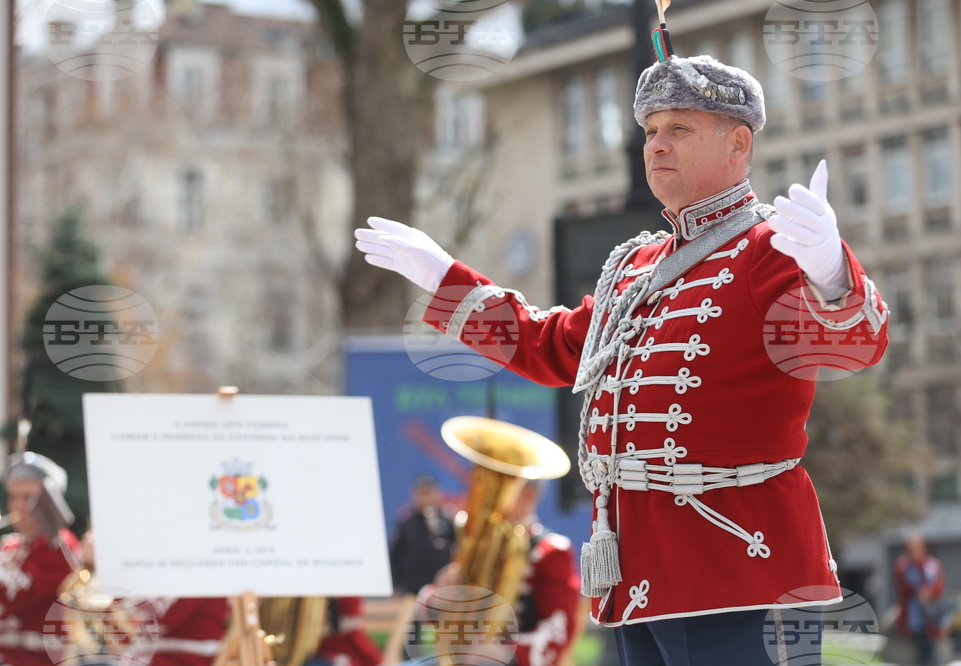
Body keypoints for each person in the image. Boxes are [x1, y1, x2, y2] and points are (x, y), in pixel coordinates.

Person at [355, 53, 889, 664]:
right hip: (637, 573)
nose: (656, 145)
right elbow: (553, 346)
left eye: (679, 129)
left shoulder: (772, 247)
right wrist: (446, 279)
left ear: (739, 143)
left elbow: (855, 344)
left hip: (740, 568)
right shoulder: (637, 267)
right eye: (650, 131)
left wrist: (830, 273)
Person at [416, 482, 580, 666]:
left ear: (529, 495)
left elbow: (558, 627)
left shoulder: (551, 551)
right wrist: (440, 598)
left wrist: (506, 654)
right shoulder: (478, 545)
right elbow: (426, 613)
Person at [0, 452, 81, 666]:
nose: (17, 505)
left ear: (50, 499)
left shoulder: (59, 545)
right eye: (13, 497)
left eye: (27, 497)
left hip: (31, 659)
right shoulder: (10, 544)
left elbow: (17, 597)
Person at [389, 476, 456, 596]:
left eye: (429, 493)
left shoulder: (448, 523)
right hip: (413, 592)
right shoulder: (406, 526)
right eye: (422, 494)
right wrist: (396, 586)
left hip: (444, 592)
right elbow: (395, 559)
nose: (426, 499)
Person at [895, 533, 948, 665]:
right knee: (921, 647)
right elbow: (902, 587)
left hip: (931, 612)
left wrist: (928, 593)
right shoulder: (903, 567)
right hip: (913, 613)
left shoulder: (933, 565)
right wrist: (916, 592)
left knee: (931, 647)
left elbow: (939, 585)